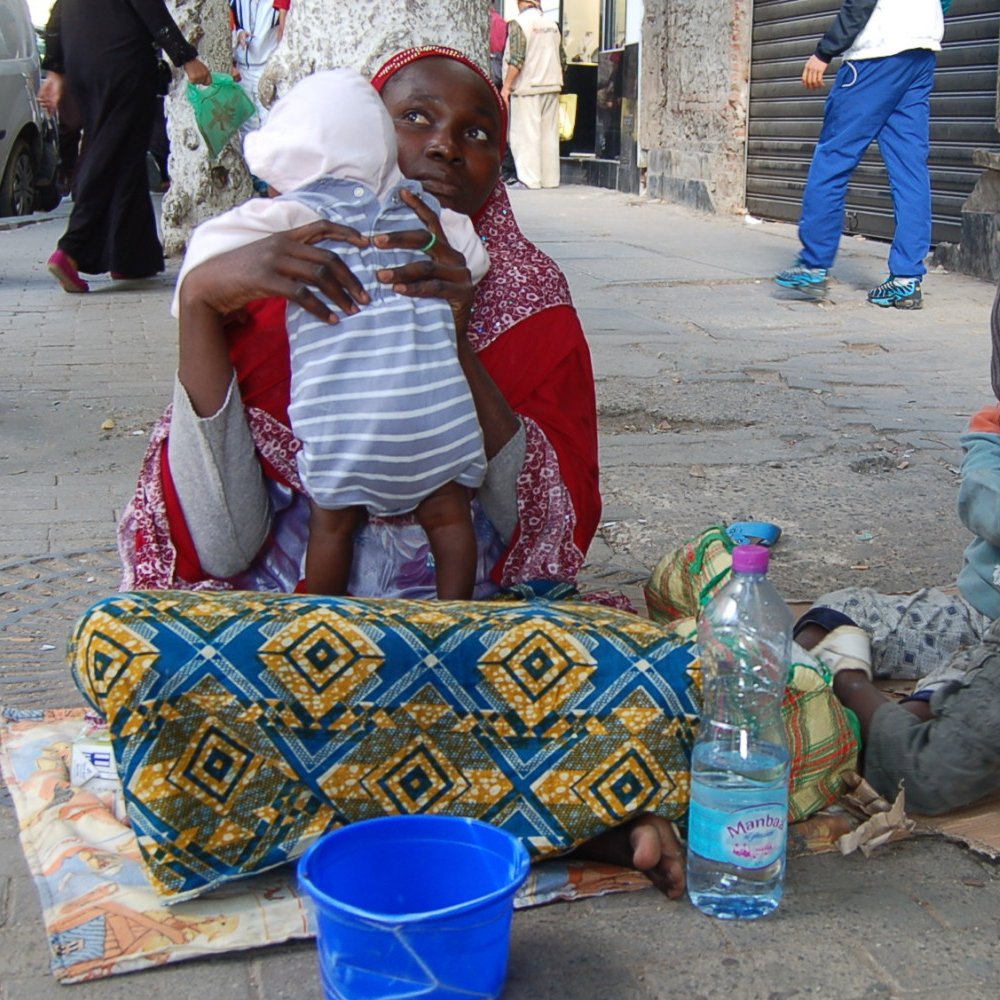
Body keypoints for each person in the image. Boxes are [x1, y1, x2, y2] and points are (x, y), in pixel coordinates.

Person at [116, 45, 683, 896]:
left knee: (658, 672)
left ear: (502, 163)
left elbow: (544, 547)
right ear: (358, 131)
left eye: (479, 132)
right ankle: (549, 817)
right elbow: (223, 543)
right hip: (293, 636)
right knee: (150, 651)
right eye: (414, 117)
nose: (448, 146)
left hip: (462, 640)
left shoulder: (525, 294)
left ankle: (327, 814)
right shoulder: (268, 261)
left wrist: (454, 337)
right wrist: (200, 300)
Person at [176, 69, 490, 597]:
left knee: (333, 524)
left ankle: (322, 621)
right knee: (449, 518)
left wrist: (195, 289)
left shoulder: (293, 215)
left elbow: (208, 253)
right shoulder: (426, 213)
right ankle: (453, 624)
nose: (442, 148)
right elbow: (472, 260)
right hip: (438, 430)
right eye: (414, 119)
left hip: (344, 435)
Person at [795, 281, 1000, 814]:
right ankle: (875, 691)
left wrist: (851, 685)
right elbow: (984, 499)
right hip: (977, 611)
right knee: (843, 611)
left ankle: (857, 693)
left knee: (944, 737)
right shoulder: (993, 433)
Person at [773, 0, 945, 310]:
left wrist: (824, 52)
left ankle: (812, 266)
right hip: (922, 51)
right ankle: (906, 280)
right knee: (910, 169)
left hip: (876, 54)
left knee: (833, 158)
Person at [38, 0, 211, 293]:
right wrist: (186, 57)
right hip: (122, 61)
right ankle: (71, 249)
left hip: (83, 60)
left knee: (126, 152)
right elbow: (149, 7)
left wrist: (56, 72)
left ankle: (131, 258)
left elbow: (57, 15)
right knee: (111, 151)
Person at [501, 0, 565, 190]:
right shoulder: (553, 24)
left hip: (528, 86)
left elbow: (517, 59)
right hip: (552, 84)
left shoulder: (519, 24)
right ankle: (550, 179)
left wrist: (507, 87)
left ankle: (530, 180)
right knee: (549, 136)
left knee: (526, 136)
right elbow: (563, 58)